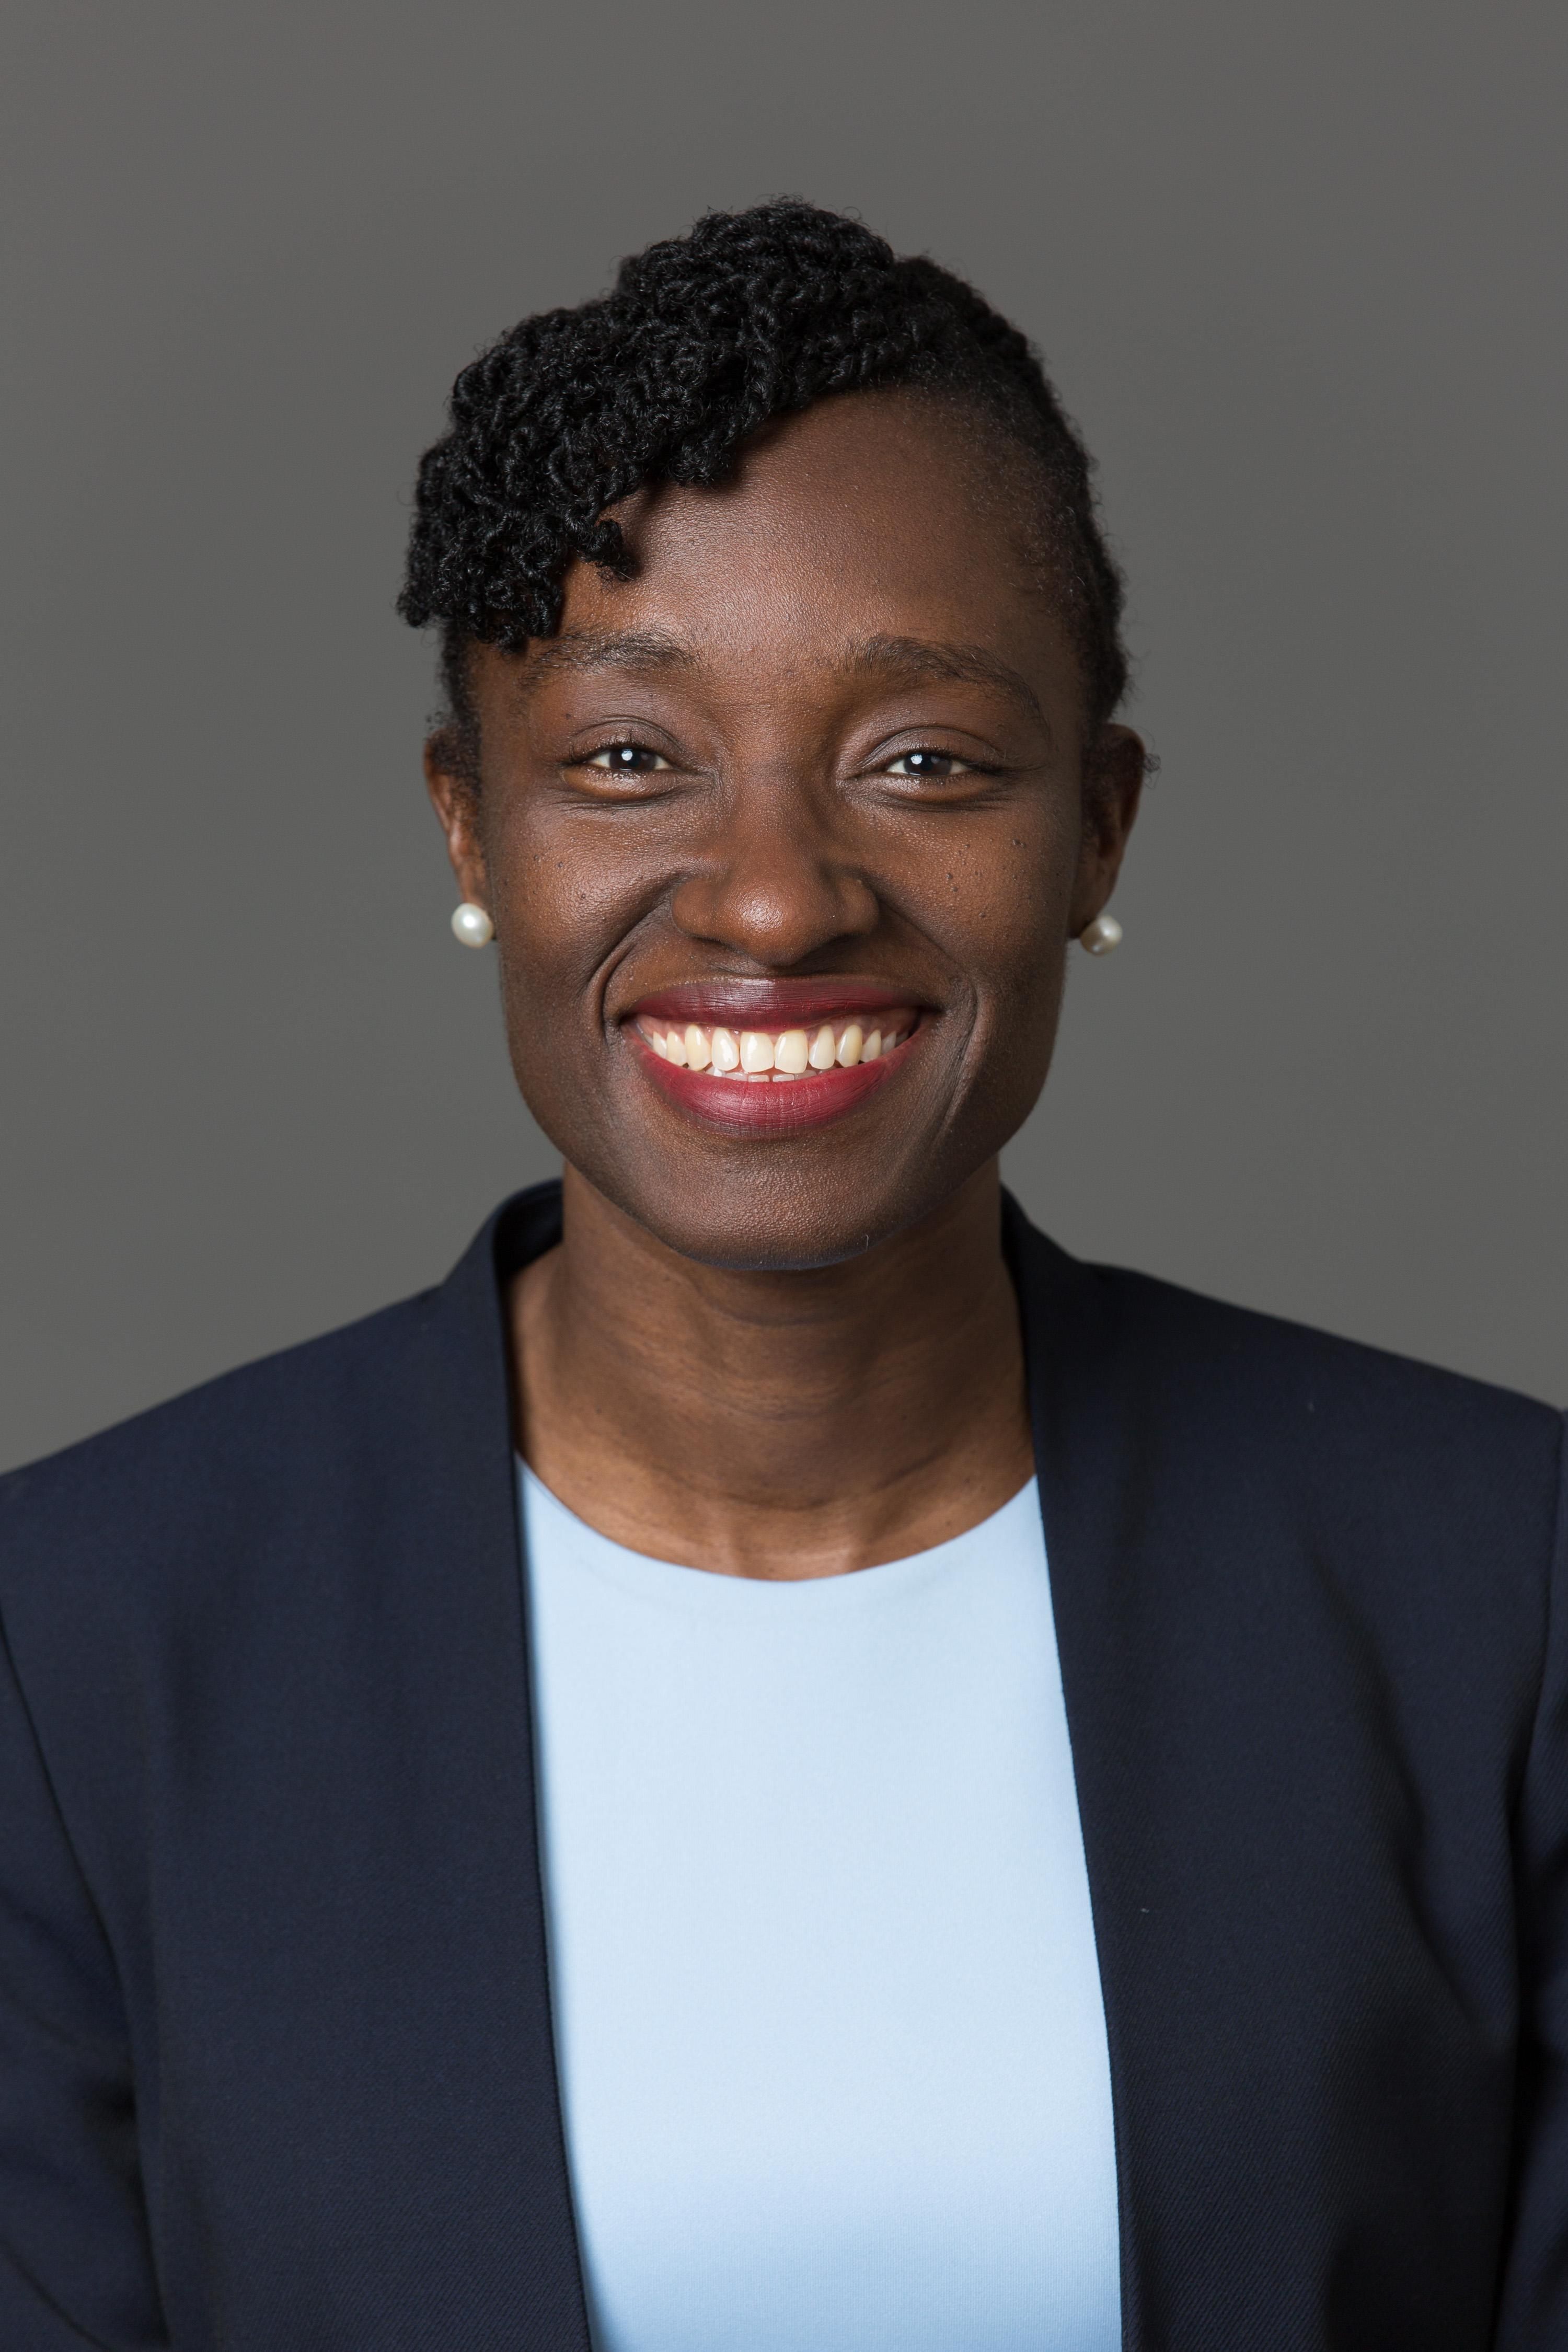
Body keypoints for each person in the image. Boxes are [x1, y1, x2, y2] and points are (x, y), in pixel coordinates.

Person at [0, 201, 1563, 2352]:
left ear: (1098, 831)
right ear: (471, 828)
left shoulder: (1499, 1595)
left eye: (921, 762)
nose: (770, 900)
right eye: (628, 760)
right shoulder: (75, 1650)